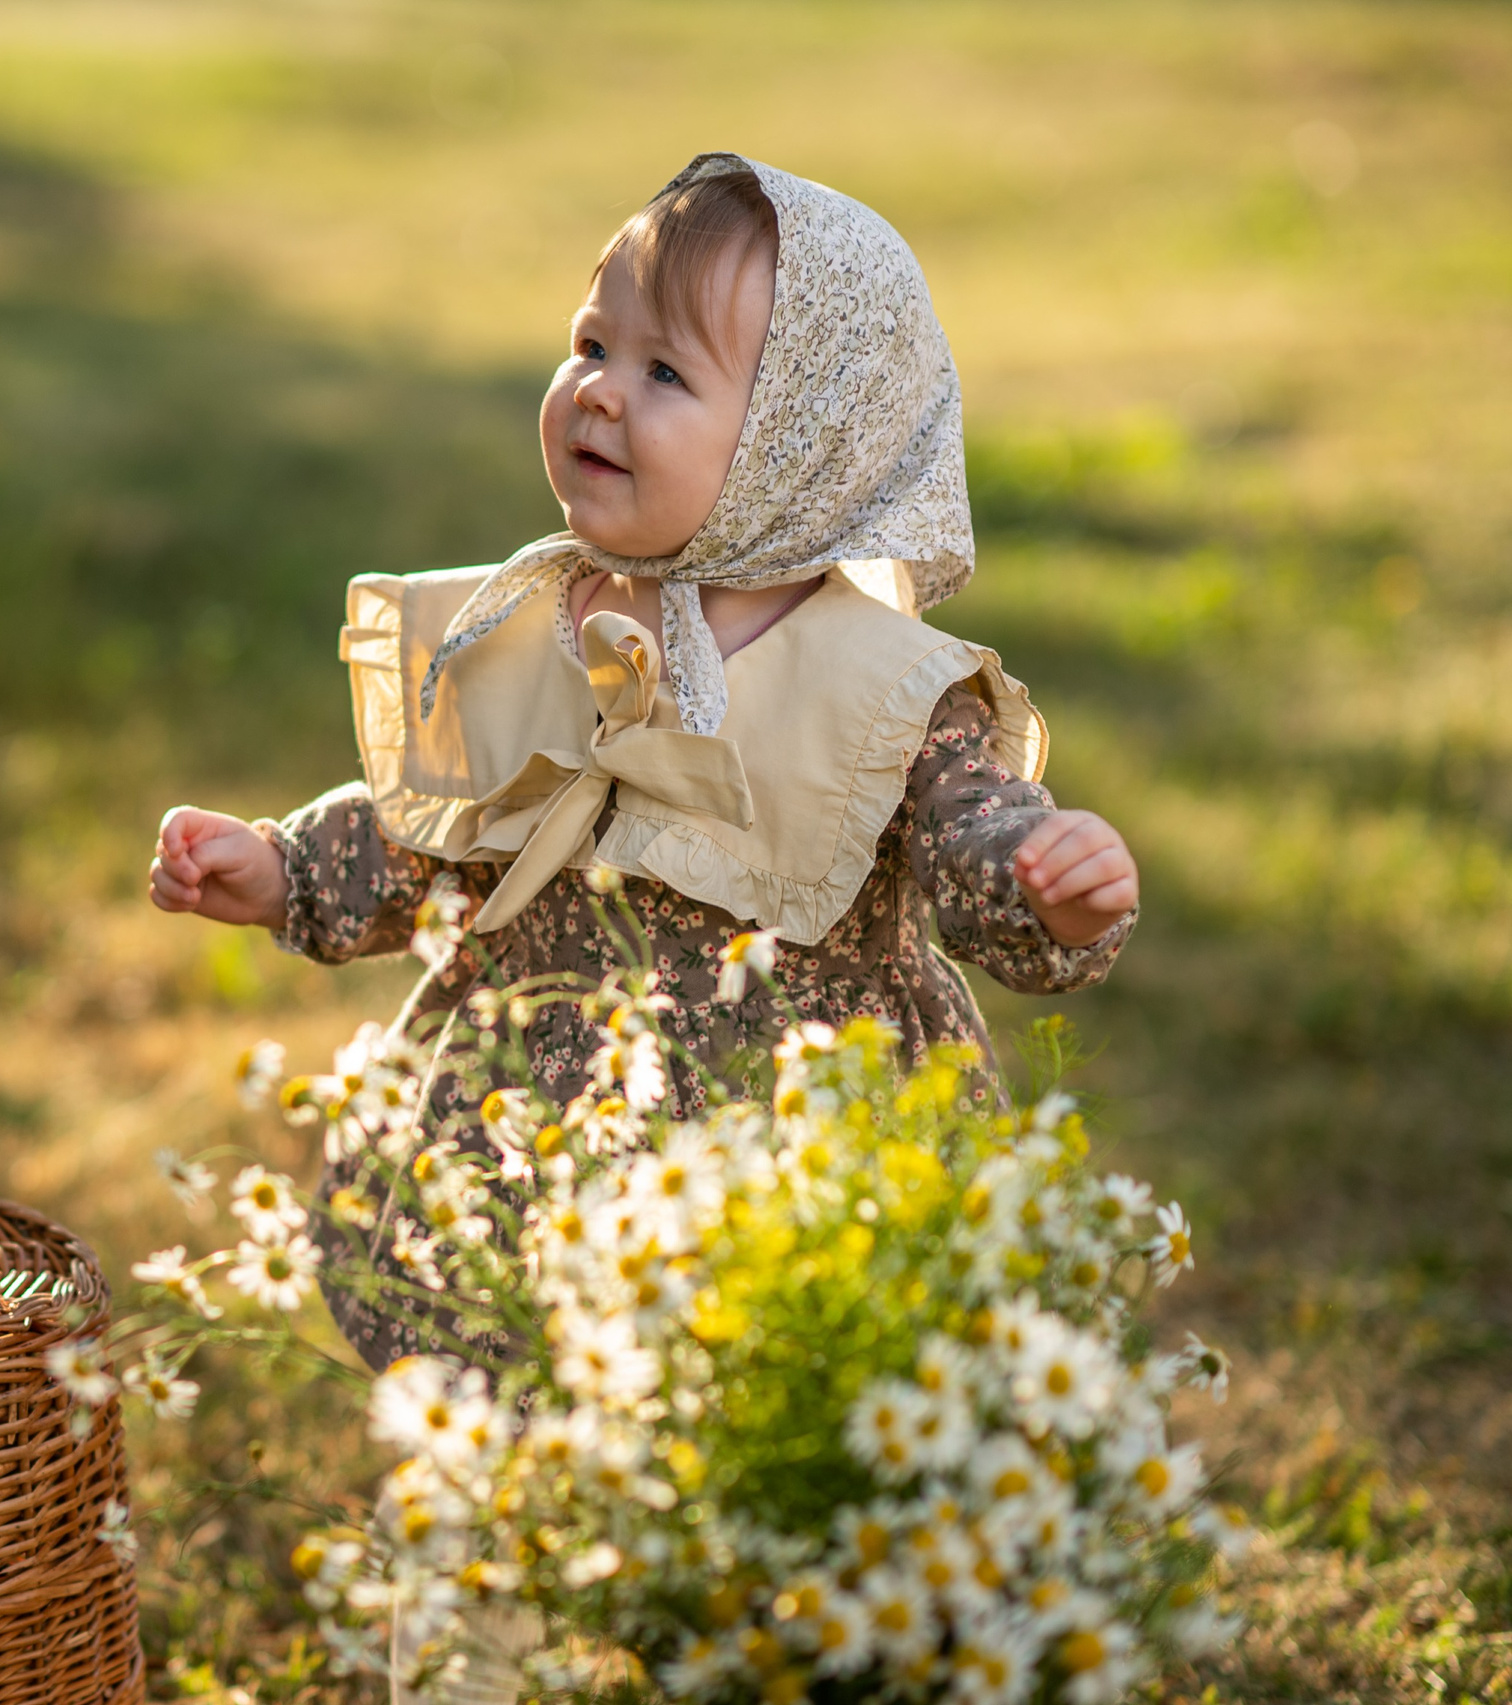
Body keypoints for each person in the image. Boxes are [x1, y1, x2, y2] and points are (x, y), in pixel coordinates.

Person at [149, 153, 1142, 1689]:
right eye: (590, 343)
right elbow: (444, 829)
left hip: (775, 1194)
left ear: (807, 441)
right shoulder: (554, 612)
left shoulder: (884, 687)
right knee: (489, 1465)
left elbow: (971, 843)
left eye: (665, 368)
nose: (598, 391)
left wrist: (1045, 881)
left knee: (761, 1482)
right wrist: (284, 867)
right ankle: (470, 1661)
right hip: (529, 1148)